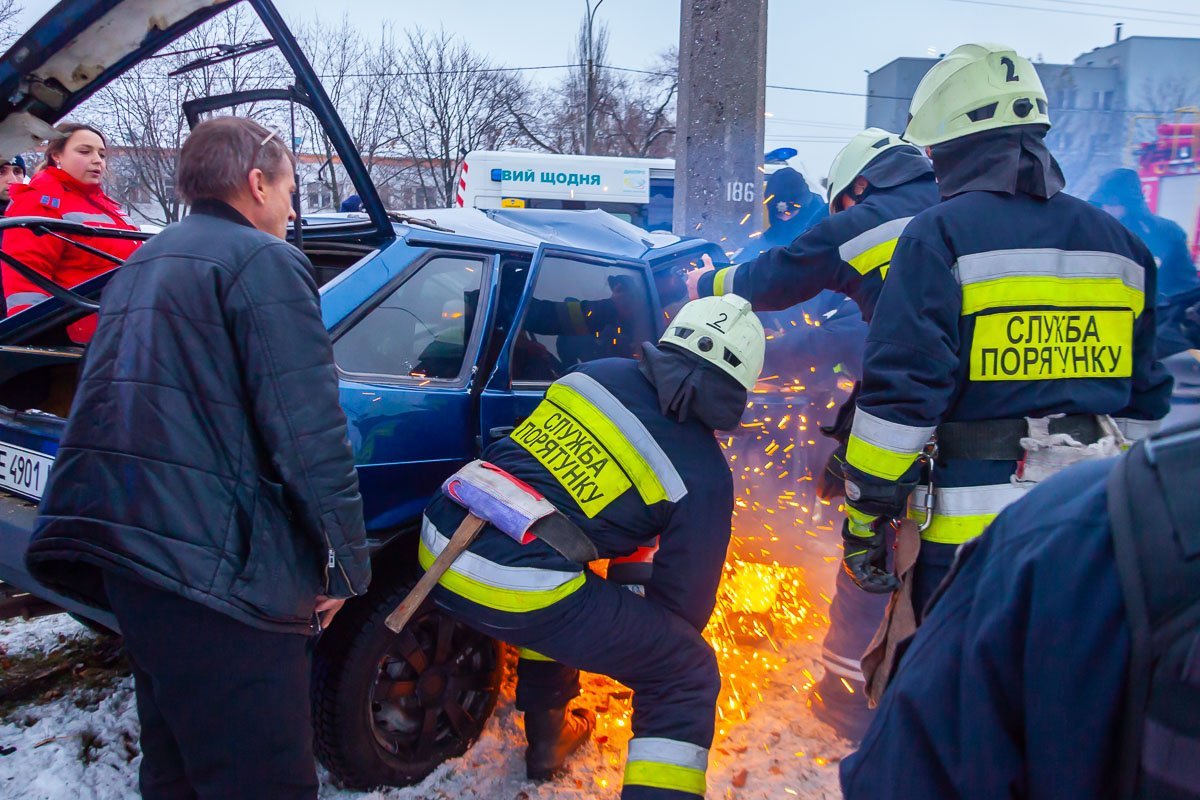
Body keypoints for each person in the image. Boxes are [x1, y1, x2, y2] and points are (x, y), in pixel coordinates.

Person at [25, 116, 370, 800]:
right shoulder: (267, 262)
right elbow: (309, 431)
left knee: (177, 768)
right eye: (290, 188)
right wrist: (345, 562)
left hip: (140, 568)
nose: (294, 209)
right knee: (262, 779)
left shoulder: (144, 259)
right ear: (256, 182)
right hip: (222, 589)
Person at [840, 43, 1171, 626]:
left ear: (947, 145)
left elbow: (901, 399)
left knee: (962, 704)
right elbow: (1147, 405)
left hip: (974, 542)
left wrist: (865, 517)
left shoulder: (937, 236)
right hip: (1099, 525)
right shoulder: (1123, 247)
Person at [417, 294, 765, 798]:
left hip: (441, 534)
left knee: (564, 585)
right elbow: (683, 610)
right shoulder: (706, 474)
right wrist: (640, 616)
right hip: (513, 581)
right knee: (685, 668)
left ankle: (548, 741)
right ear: (738, 389)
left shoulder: (593, 374)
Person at [687, 128, 940, 742]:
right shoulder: (962, 208)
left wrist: (709, 284)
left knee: (869, 539)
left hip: (912, 416)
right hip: (960, 412)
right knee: (931, 553)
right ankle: (915, 682)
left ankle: (846, 694)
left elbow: (786, 272)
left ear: (861, 185)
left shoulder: (876, 220)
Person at [841, 421, 1200, 800]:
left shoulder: (1077, 533)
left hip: (983, 527)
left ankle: (844, 708)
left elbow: (899, 408)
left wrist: (864, 521)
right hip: (1084, 498)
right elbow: (1141, 403)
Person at [2, 123, 140, 342]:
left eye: (102, 154)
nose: (97, 160)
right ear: (57, 155)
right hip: (78, 344)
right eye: (85, 151)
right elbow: (26, 283)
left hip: (121, 334)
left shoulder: (109, 206)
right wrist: (36, 344)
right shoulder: (39, 201)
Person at [1091, 167, 1199, 299]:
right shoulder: (1092, 231)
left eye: (1113, 203)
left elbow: (1185, 282)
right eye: (1103, 203)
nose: (1107, 208)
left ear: (1128, 202)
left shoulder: (1165, 233)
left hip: (1149, 313)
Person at [756, 166, 827, 251]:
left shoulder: (823, 231)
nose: (784, 217)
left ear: (802, 205)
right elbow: (766, 242)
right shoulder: (778, 230)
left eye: (789, 211)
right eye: (778, 213)